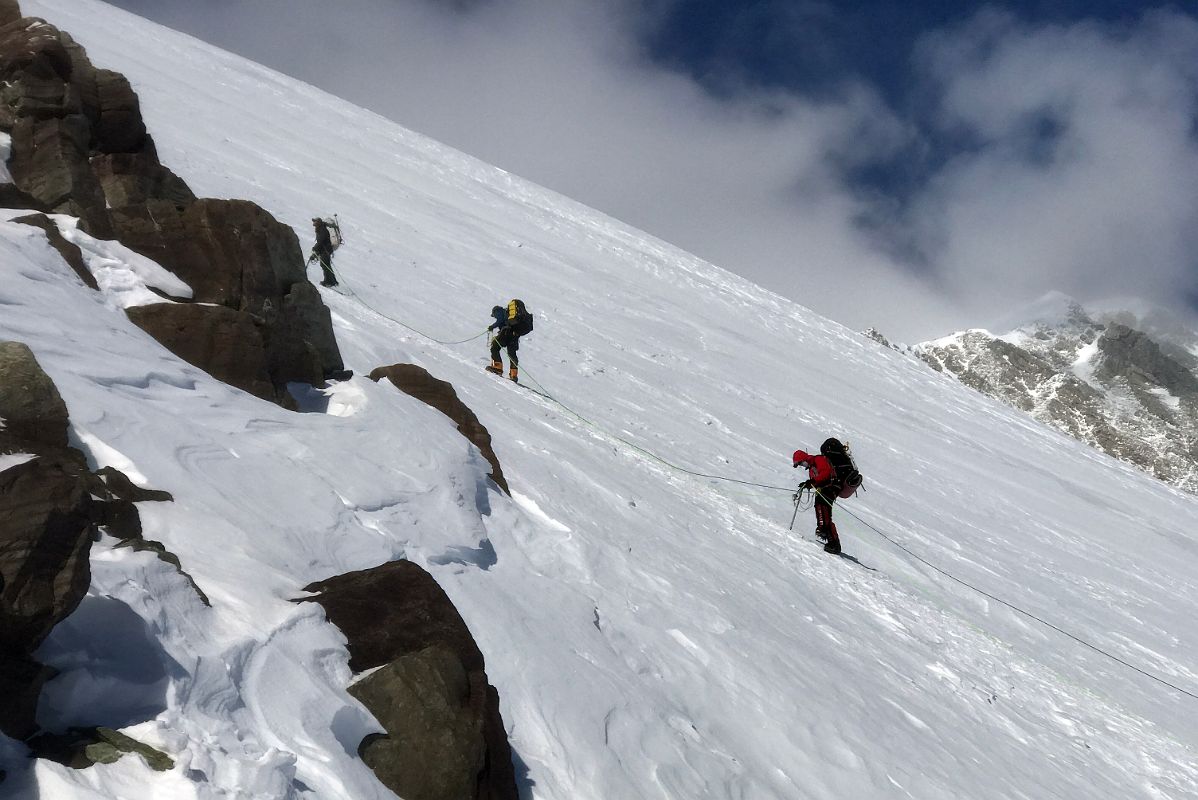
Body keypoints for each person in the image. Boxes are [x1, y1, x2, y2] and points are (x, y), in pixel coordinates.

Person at [793, 438, 848, 554]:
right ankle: (824, 530)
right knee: (820, 506)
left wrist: (811, 482)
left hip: (832, 486)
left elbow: (826, 473)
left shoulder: (818, 459)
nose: (802, 466)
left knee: (823, 509)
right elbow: (817, 480)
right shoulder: (812, 468)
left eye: (801, 463)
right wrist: (808, 484)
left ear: (804, 459)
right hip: (826, 489)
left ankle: (834, 543)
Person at [486, 299, 533, 382]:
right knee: (512, 353)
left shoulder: (499, 311)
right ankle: (513, 374)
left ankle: (497, 368)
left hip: (507, 332)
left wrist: (492, 327)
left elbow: (500, 320)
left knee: (495, 346)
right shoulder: (512, 315)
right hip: (515, 334)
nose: (494, 316)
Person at [309, 217, 338, 287]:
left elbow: (321, 241)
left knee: (324, 265)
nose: (314, 224)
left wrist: (315, 248)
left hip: (326, 250)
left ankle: (328, 282)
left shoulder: (322, 230)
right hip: (325, 250)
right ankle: (333, 281)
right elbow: (320, 242)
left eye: (315, 222)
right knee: (326, 265)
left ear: (318, 223)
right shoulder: (320, 229)